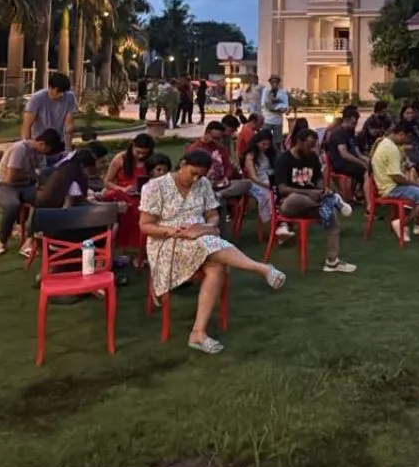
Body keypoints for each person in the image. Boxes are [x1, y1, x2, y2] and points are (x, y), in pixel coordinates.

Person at [139, 148, 286, 354]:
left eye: (200, 175)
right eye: (193, 173)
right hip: (167, 242)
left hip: (200, 237)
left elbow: (212, 215)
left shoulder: (204, 184)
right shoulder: (155, 187)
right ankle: (261, 268)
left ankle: (198, 333)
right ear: (182, 165)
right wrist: (174, 231)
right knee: (207, 245)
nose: (196, 179)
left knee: (215, 265)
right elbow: (145, 225)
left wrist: (207, 227)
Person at [274, 127, 357, 273]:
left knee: (332, 217)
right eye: (309, 145)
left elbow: (318, 180)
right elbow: (282, 189)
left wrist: (321, 190)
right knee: (296, 197)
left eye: (314, 145)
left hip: (313, 203)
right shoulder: (284, 159)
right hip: (290, 204)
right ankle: (333, 200)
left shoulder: (312, 158)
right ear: (299, 142)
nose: (312, 149)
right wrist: (311, 193)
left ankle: (332, 262)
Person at [0, 127, 63, 256]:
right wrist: (32, 176)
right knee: (13, 205)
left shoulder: (41, 154)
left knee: (45, 199)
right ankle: (2, 242)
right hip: (5, 186)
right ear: (41, 144)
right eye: (48, 150)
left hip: (26, 186)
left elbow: (40, 175)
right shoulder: (20, 149)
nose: (47, 154)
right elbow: (10, 178)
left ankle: (29, 240)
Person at [370, 123, 419, 241]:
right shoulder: (392, 149)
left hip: (386, 185)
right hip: (392, 188)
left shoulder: (384, 143)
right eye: (408, 138)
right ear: (401, 134)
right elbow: (396, 176)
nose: (408, 141)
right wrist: (417, 184)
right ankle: (402, 223)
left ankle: (418, 225)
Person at [103, 133, 155, 248]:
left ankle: (141, 244)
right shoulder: (120, 158)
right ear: (132, 146)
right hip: (122, 193)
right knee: (128, 207)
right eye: (138, 152)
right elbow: (107, 182)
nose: (141, 156)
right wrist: (123, 189)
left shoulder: (152, 160)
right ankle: (124, 243)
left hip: (144, 194)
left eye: (145, 153)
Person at [22, 72, 77, 152]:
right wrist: (29, 147)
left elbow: (68, 125)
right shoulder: (37, 99)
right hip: (40, 142)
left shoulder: (70, 97)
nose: (61, 95)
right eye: (58, 92)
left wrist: (68, 148)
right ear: (50, 87)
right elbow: (27, 125)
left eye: (63, 92)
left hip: (58, 141)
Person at [242, 125, 280, 232]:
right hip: (256, 182)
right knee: (268, 195)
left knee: (280, 192)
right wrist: (267, 185)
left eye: (268, 144)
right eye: (263, 144)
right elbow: (253, 177)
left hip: (268, 180)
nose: (266, 147)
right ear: (256, 142)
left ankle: (280, 219)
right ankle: (273, 220)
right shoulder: (250, 155)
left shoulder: (269, 154)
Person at [326, 105, 368, 193]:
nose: (355, 125)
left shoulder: (350, 131)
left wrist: (365, 159)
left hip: (349, 160)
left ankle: (361, 191)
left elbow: (356, 150)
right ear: (346, 120)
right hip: (340, 162)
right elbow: (344, 154)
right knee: (363, 170)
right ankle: (361, 192)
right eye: (353, 123)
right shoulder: (338, 133)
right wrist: (361, 163)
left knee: (369, 167)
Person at [397, 103, 419, 170]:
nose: (410, 115)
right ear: (403, 114)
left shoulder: (417, 124)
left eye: (412, 113)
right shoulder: (398, 125)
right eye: (407, 113)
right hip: (405, 151)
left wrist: (417, 132)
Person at [260, 74, 289, 145]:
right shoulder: (266, 91)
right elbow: (265, 105)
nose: (274, 83)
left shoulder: (282, 92)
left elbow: (286, 107)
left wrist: (274, 108)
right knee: (265, 140)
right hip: (267, 120)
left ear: (278, 82)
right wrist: (278, 109)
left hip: (278, 121)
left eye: (276, 81)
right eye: (273, 81)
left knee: (278, 141)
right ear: (270, 82)